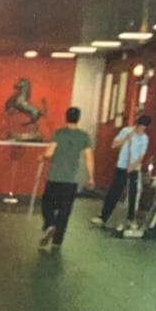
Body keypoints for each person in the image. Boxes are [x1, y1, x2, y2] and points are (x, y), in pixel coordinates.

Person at [39, 107, 93, 251]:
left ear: (66, 117)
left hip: (54, 177)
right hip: (71, 180)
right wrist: (91, 178)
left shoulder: (59, 133)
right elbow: (88, 158)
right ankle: (57, 241)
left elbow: (49, 153)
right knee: (65, 210)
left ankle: (50, 224)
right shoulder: (84, 136)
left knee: (46, 204)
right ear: (78, 118)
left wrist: (42, 157)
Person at [93, 113, 151, 232]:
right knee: (114, 192)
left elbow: (141, 157)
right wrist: (126, 139)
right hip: (121, 167)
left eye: (144, 129)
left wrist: (133, 166)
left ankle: (131, 219)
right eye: (140, 128)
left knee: (133, 195)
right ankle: (103, 217)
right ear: (137, 125)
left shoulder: (144, 138)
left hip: (134, 168)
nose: (141, 131)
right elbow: (113, 145)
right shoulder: (126, 131)